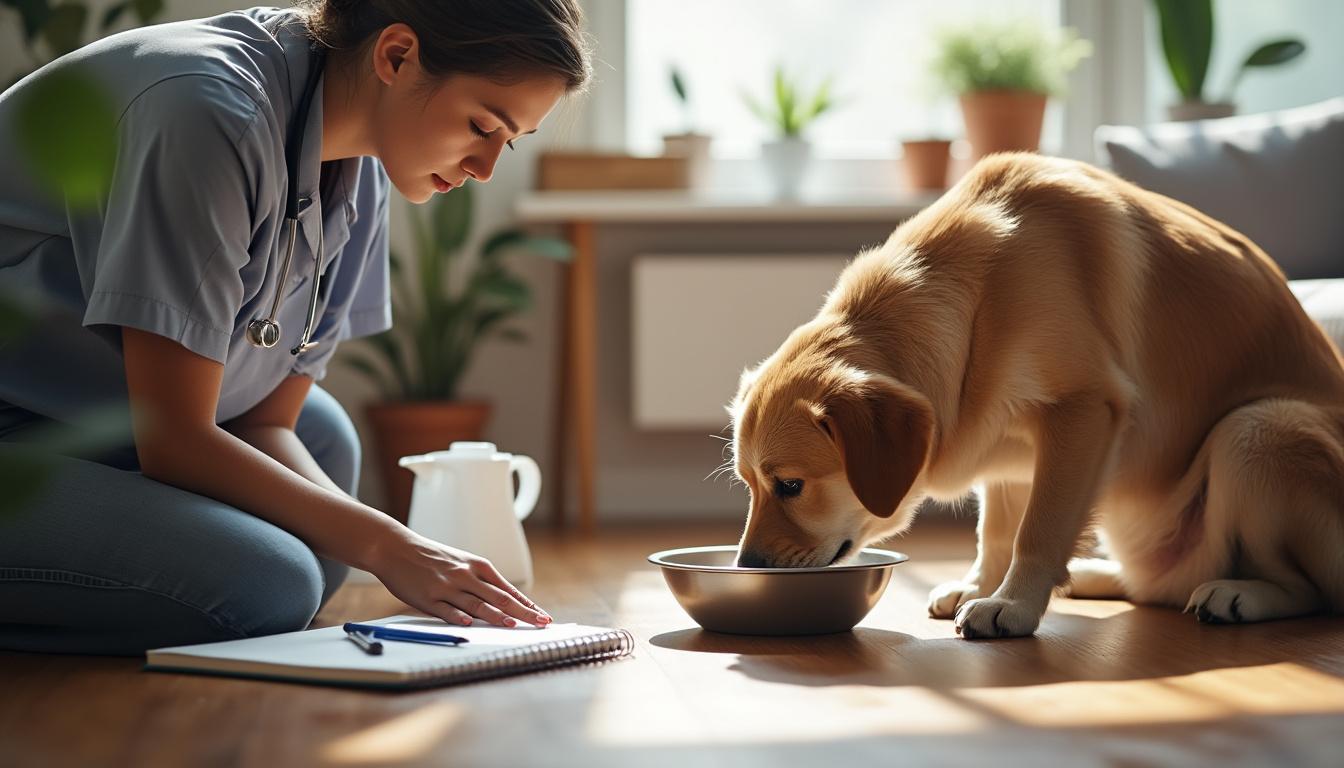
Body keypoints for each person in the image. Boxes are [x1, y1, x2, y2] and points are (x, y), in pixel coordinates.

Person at [0, 0, 590, 655]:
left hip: (80, 412)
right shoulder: (206, 113)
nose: (485, 168)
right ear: (396, 55)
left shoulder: (364, 169)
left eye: (507, 142)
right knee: (268, 585)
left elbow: (266, 422)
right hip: (25, 423)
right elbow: (173, 437)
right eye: (482, 125)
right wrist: (392, 544)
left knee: (325, 443)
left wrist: (392, 549)